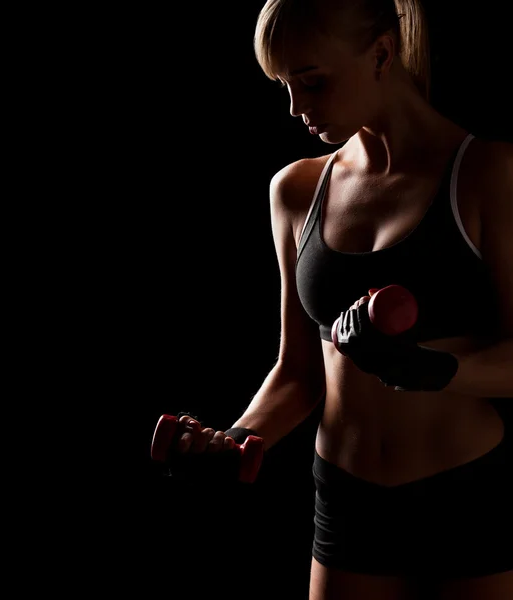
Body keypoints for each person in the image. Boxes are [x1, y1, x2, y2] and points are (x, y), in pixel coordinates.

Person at [166, 0, 513, 598]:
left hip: (463, 495)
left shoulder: (485, 174)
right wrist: (233, 440)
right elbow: (298, 372)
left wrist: (439, 371)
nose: (297, 107)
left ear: (381, 52)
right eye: (285, 85)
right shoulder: (297, 190)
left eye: (313, 81)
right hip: (346, 499)